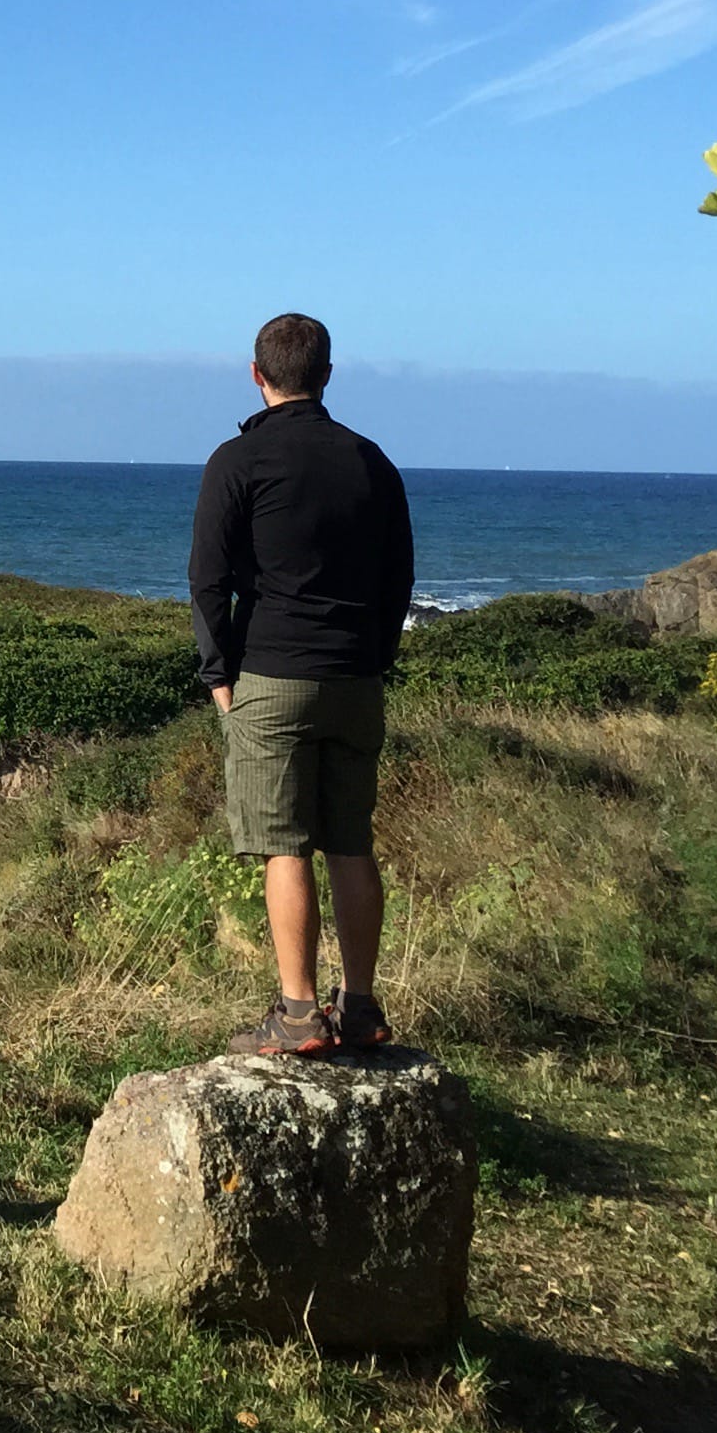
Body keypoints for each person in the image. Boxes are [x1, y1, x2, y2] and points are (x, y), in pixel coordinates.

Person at [187, 312, 415, 1056]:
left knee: (284, 846)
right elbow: (399, 578)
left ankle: (297, 1013)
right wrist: (375, 658)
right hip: (355, 677)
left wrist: (219, 676)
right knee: (351, 843)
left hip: (272, 674)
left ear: (258, 375)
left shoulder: (237, 460)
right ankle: (361, 1008)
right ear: (327, 374)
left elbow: (207, 580)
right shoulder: (372, 461)